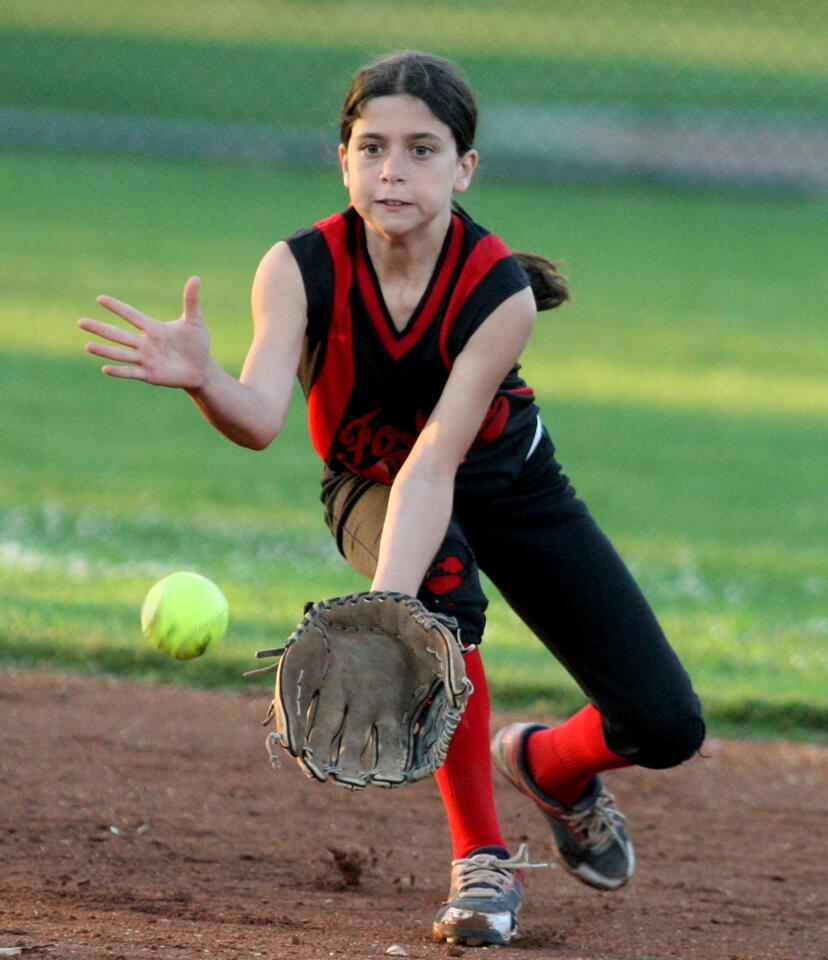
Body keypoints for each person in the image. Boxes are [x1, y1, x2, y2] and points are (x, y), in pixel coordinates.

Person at [79, 50, 705, 948]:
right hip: (367, 484)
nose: (393, 171)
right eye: (371, 148)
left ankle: (549, 763)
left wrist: (387, 607)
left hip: (509, 482)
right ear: (343, 160)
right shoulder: (299, 267)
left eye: (421, 149)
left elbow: (438, 462)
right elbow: (260, 420)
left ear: (465, 167)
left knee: (665, 723)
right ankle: (481, 863)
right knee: (444, 592)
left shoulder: (499, 292)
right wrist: (203, 378)